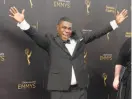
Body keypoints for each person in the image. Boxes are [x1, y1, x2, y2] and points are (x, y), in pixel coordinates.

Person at [9, 6, 128, 99]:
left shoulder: (80, 38)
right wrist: (23, 22)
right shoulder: (50, 41)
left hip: (80, 90)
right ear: (57, 28)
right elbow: (34, 35)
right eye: (63, 28)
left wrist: (115, 23)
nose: (67, 30)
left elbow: (97, 33)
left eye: (69, 28)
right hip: (59, 91)